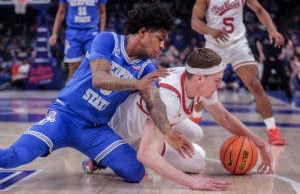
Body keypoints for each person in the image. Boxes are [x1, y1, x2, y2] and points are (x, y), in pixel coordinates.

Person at [0, 1, 192, 183]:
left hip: (94, 129)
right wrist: (136, 84)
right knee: (13, 157)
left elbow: (154, 103)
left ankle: (95, 160)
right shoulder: (107, 40)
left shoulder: (147, 69)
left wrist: (169, 134)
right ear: (142, 31)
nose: (162, 46)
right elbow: (99, 79)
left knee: (136, 172)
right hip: (64, 117)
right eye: (160, 38)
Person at [83, 48, 273, 191]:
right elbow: (146, 154)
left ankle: (163, 139)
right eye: (217, 80)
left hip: (152, 121)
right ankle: (100, 158)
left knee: (196, 134)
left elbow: (223, 116)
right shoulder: (167, 98)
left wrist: (261, 144)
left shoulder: (194, 75)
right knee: (191, 164)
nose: (220, 85)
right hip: (125, 137)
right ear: (200, 78)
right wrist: (192, 183)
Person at [191, 0, 286, 145]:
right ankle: (196, 116)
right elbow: (195, 21)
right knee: (202, 88)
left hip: (237, 44)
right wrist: (210, 30)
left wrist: (272, 30)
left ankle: (272, 129)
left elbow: (260, 10)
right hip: (215, 45)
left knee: (255, 84)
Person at [49, 0, 107, 83]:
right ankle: (69, 93)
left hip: (91, 31)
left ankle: (93, 93)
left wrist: (102, 33)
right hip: (73, 32)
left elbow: (102, 12)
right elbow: (61, 12)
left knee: (94, 65)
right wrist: (54, 33)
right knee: (73, 66)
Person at [256, 32, 294, 105]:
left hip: (277, 61)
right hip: (268, 61)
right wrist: (261, 53)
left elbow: (289, 43)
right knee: (263, 80)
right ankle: (257, 98)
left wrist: (284, 53)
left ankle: (290, 98)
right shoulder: (265, 36)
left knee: (284, 80)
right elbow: (258, 43)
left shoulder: (278, 36)